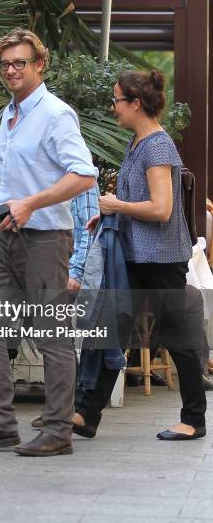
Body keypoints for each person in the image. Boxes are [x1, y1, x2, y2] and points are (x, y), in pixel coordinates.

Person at [0, 28, 97, 456]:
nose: (12, 70)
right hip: (4, 235)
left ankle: (57, 432)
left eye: (20, 62)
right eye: (6, 64)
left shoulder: (55, 114)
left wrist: (32, 202)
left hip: (46, 238)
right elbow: (18, 174)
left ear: (40, 65)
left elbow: (83, 175)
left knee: (52, 335)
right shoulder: (9, 115)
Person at [73, 70, 206, 441]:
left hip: (160, 259)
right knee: (111, 328)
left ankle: (194, 419)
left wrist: (118, 204)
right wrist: (112, 211)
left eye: (116, 100)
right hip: (138, 255)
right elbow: (142, 202)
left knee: (176, 336)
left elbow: (162, 209)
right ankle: (86, 414)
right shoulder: (138, 142)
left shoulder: (157, 146)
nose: (113, 107)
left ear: (135, 104)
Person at [30, 186, 100, 430]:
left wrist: (77, 271)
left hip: (67, 270)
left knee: (59, 343)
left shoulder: (82, 180)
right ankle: (56, 409)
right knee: (51, 340)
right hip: (49, 266)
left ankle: (62, 410)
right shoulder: (51, 178)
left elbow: (89, 230)